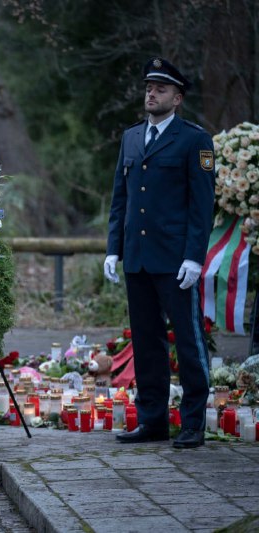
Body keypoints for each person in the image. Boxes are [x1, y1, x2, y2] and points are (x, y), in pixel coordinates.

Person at [104, 57, 215, 449]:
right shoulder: (132, 137)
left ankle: (193, 422)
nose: (151, 93)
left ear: (177, 98)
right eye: (149, 87)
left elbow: (202, 205)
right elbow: (122, 198)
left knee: (187, 341)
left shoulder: (194, 140)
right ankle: (152, 420)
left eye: (161, 88)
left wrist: (194, 257)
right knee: (147, 341)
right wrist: (113, 249)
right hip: (138, 256)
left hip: (175, 259)